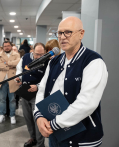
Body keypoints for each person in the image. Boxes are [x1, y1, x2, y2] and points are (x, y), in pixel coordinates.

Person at [34, 16, 108, 147]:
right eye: (60, 33)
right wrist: (39, 116)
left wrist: (54, 123)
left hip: (82, 139)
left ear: (81, 34)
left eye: (68, 32)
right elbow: (42, 91)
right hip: (55, 135)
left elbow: (87, 103)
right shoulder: (54, 62)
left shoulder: (93, 61)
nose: (62, 37)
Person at [15, 42, 58, 147]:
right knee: (28, 117)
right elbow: (19, 69)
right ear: (32, 51)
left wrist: (37, 86)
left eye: (41, 54)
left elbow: (47, 79)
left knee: (37, 119)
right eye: (37, 54)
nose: (39, 56)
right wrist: (18, 78)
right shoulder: (25, 57)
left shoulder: (48, 61)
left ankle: (40, 144)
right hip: (25, 92)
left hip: (37, 94)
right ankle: (32, 138)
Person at [0, 41, 20, 124]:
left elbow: (18, 63)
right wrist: (10, 66)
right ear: (3, 47)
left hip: (12, 80)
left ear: (11, 46)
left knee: (12, 99)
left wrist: (6, 63)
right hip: (2, 80)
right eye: (5, 46)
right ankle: (2, 115)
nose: (7, 47)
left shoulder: (16, 54)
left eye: (8, 46)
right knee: (2, 99)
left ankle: (12, 115)